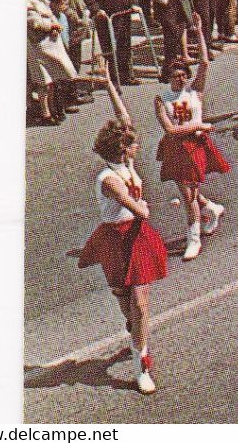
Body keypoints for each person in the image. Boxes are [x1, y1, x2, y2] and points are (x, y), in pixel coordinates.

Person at [77, 88, 166, 395]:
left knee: (140, 306)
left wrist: (108, 82)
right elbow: (132, 203)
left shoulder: (125, 165)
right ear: (123, 150)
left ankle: (142, 367)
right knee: (127, 307)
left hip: (136, 238)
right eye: (134, 144)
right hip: (114, 241)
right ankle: (135, 337)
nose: (138, 146)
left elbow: (124, 117)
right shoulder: (109, 179)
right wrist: (145, 208)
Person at [153, 46, 229, 262]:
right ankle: (211, 208)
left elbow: (204, 63)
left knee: (188, 196)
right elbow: (170, 130)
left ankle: (194, 238)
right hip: (175, 148)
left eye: (183, 75)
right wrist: (200, 125)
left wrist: (199, 32)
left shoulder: (195, 92)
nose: (180, 79)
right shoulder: (162, 99)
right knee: (188, 190)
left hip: (194, 147)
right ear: (167, 77)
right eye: (175, 76)